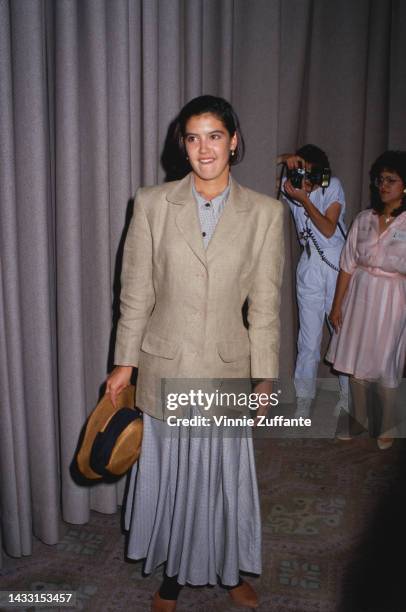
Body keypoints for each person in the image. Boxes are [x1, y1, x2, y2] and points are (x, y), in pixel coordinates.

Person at [106, 95, 284, 611]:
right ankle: (171, 581)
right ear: (181, 146)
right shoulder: (152, 202)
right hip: (166, 363)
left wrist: (266, 376)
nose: (203, 147)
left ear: (233, 141)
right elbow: (135, 291)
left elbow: (267, 305)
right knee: (173, 480)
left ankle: (229, 571)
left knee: (222, 483)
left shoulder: (266, 214)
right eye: (192, 137)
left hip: (226, 369)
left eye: (213, 135)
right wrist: (124, 363)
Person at [327, 150, 406, 450]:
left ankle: (388, 424)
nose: (383, 185)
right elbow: (347, 264)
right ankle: (358, 420)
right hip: (360, 295)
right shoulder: (364, 219)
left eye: (391, 180)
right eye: (380, 180)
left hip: (394, 299)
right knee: (357, 361)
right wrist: (337, 306)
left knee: (387, 361)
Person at [278, 145, 349, 417]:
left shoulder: (333, 186)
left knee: (339, 331)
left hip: (334, 264)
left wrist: (306, 200)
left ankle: (347, 395)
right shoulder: (292, 188)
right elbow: (266, 165)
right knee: (307, 340)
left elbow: (329, 230)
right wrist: (286, 160)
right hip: (308, 265)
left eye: (309, 171)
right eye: (300, 169)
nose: (304, 176)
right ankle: (304, 399)